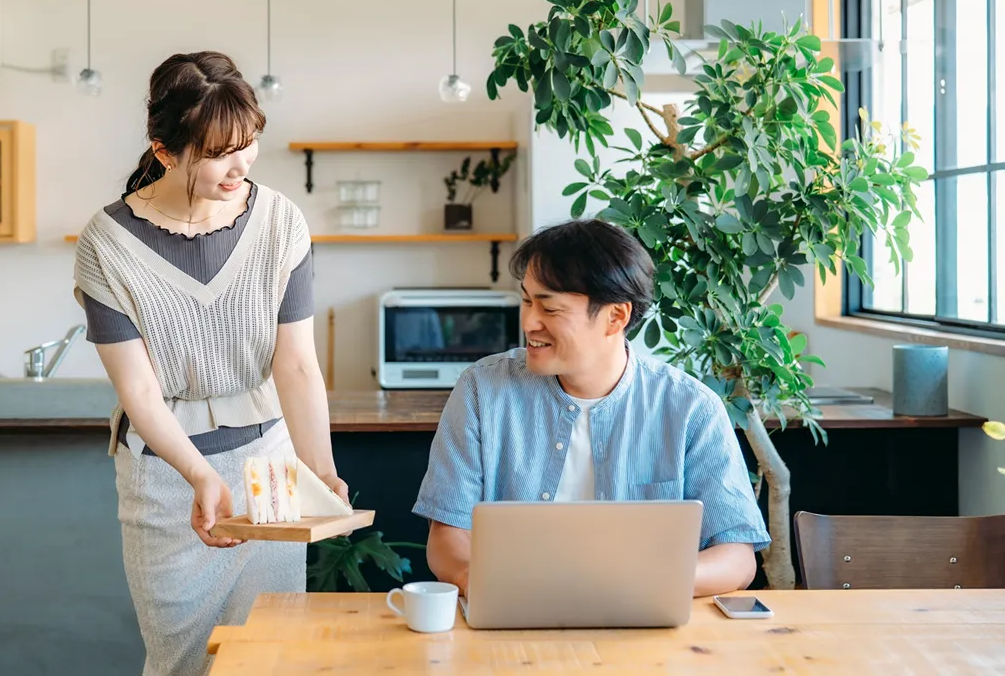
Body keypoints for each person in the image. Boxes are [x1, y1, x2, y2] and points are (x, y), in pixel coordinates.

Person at [73, 51, 347, 676]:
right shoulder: (108, 244)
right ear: (165, 151)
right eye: (220, 152)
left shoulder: (280, 223)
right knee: (180, 659)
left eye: (248, 145)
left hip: (269, 470)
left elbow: (297, 366)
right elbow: (139, 392)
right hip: (166, 479)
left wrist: (321, 471)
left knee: (276, 655)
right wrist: (200, 476)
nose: (240, 166)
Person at [412, 218, 769, 599]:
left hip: (646, 629)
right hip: (511, 620)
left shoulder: (691, 408)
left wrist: (632, 583)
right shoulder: (482, 390)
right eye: (527, 300)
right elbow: (448, 535)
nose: (529, 322)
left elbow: (737, 558)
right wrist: (488, 585)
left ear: (616, 316)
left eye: (549, 309)